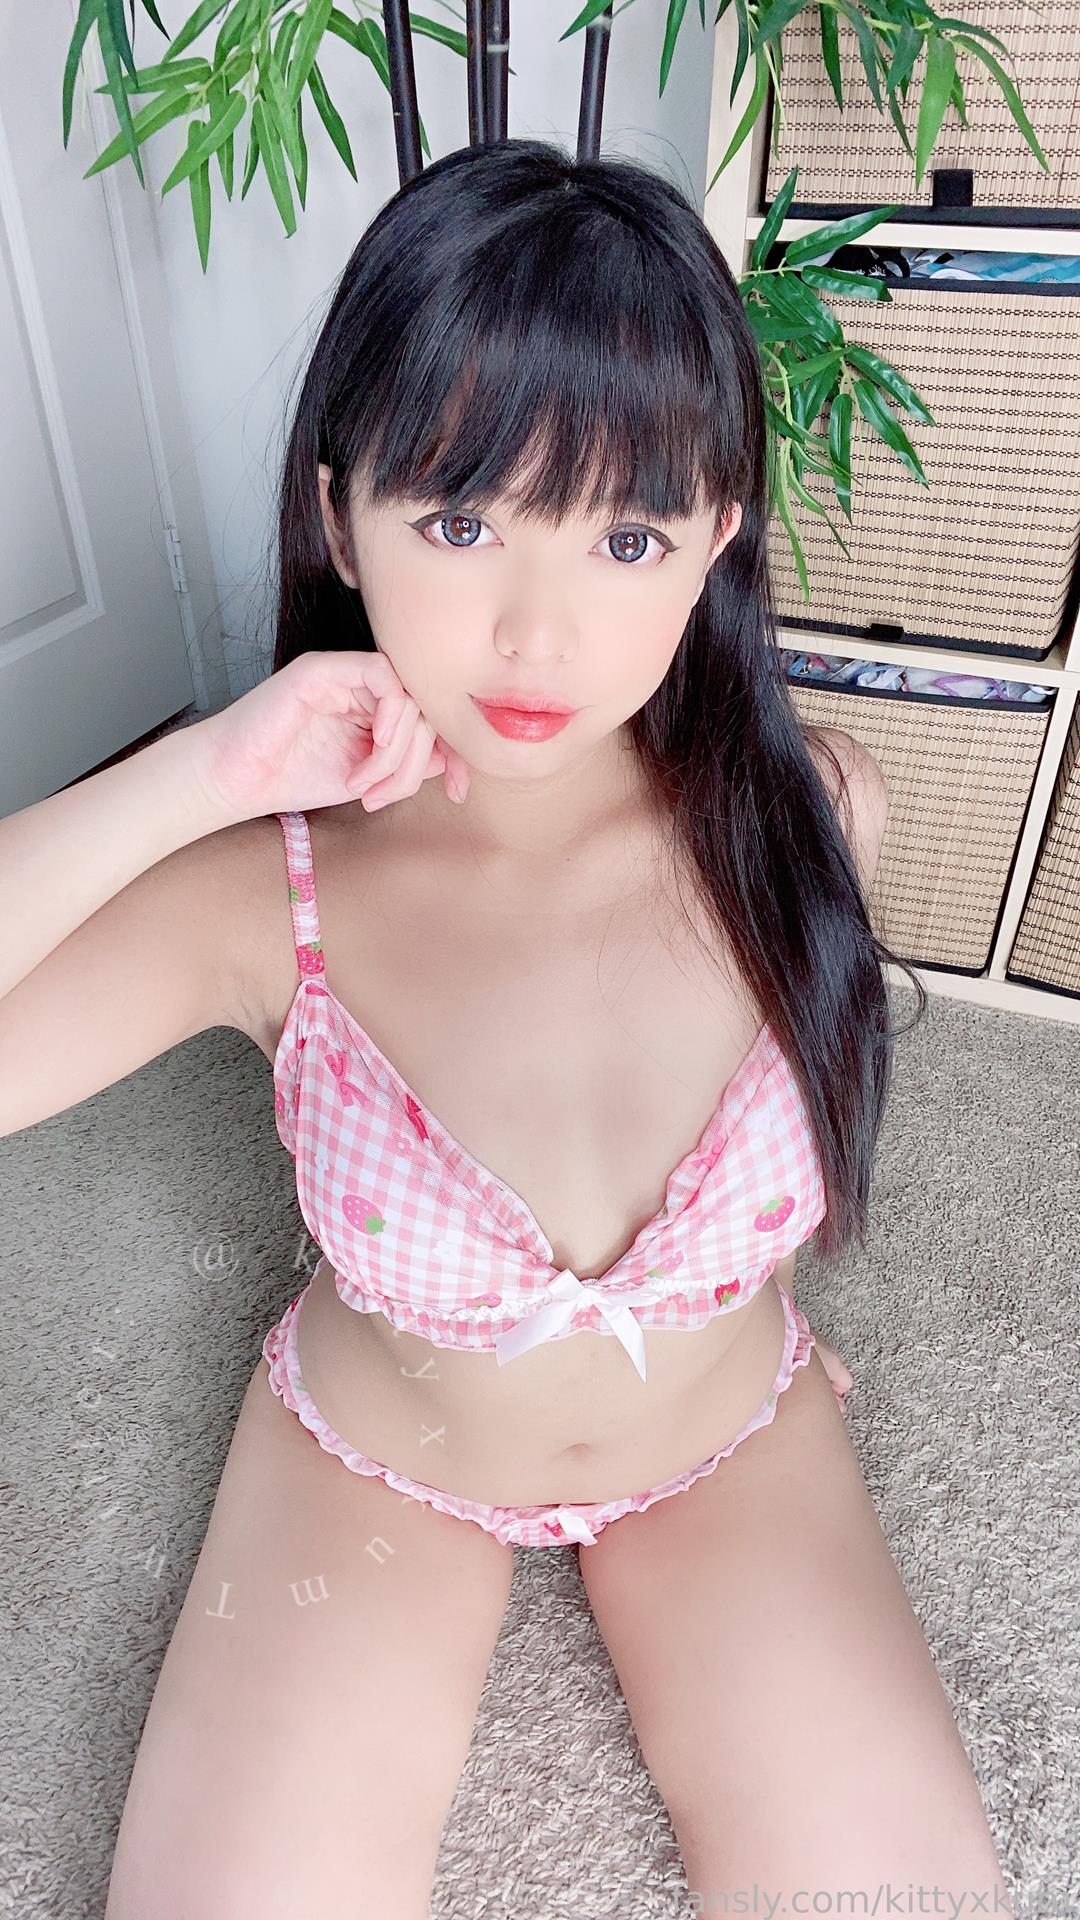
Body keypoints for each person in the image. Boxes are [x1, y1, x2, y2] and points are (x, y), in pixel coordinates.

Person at [1, 138, 1013, 1919]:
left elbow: (800, 1071)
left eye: (626, 537)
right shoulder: (267, 890)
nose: (539, 631)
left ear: (716, 538)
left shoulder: (812, 813)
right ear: (342, 518)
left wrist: (750, 1292)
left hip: (730, 1431)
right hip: (380, 1454)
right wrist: (196, 771)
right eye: (461, 521)